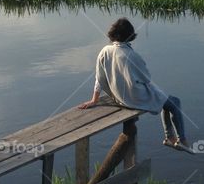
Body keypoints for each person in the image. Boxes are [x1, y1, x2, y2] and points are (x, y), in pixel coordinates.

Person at [78, 18, 191, 152]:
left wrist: (94, 100)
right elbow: (146, 78)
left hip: (118, 98)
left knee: (164, 99)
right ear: (130, 35)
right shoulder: (131, 55)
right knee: (174, 102)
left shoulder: (104, 51)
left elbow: (99, 78)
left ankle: (170, 138)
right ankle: (181, 139)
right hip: (134, 98)